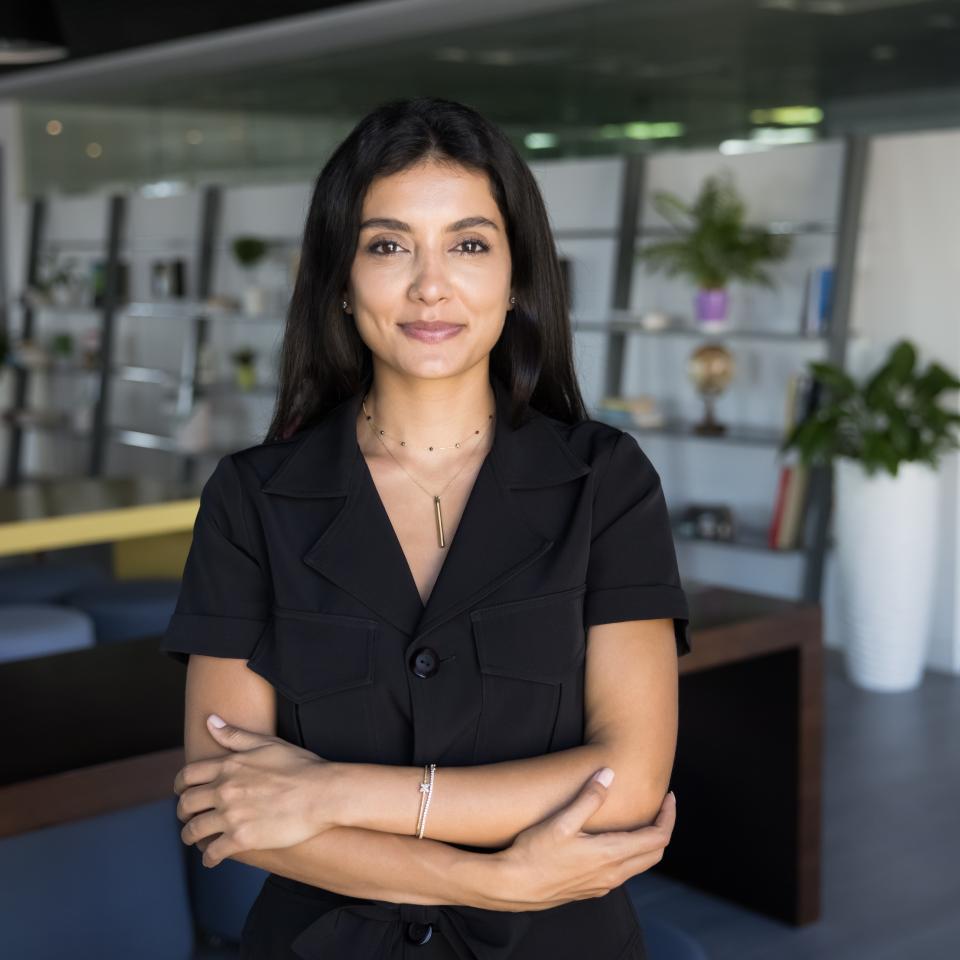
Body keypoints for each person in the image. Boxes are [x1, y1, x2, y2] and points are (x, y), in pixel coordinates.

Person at [162, 95, 691, 960]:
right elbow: (236, 812)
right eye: (387, 245)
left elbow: (626, 785)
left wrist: (329, 792)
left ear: (517, 276)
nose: (430, 284)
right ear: (339, 279)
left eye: (470, 244)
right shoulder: (251, 500)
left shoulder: (605, 482)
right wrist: (495, 882)